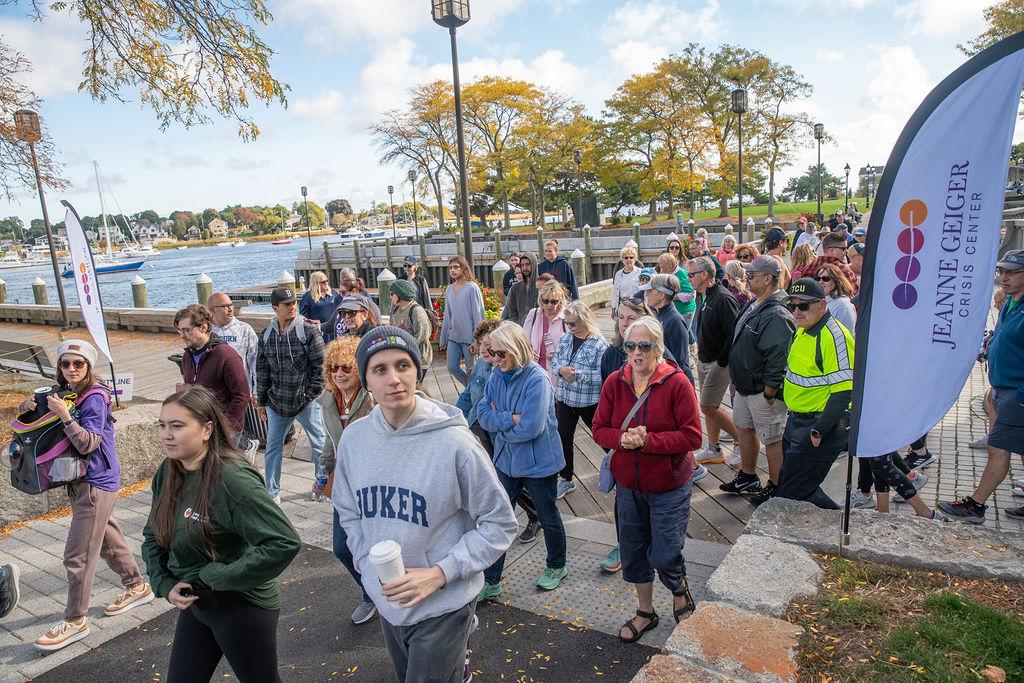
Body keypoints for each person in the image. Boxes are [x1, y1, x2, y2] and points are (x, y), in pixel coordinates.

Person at [332, 326, 517, 682]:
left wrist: (441, 573)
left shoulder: (455, 445)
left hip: (444, 604)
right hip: (390, 600)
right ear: (366, 380)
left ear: (418, 371)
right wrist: (368, 571)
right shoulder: (354, 440)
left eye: (403, 365)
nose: (394, 379)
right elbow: (348, 512)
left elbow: (500, 523)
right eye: (380, 369)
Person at [142, 386, 301, 682]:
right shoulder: (168, 470)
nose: (166, 434)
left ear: (206, 429)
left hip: (241, 605)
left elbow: (284, 542)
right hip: (196, 600)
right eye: (162, 425)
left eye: (177, 426)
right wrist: (163, 582)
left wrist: (217, 576)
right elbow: (152, 535)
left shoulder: (232, 479)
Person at [28, 339, 154, 651]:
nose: (71, 369)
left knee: (78, 554)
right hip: (83, 480)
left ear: (89, 366)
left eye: (78, 364)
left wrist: (65, 416)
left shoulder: (95, 396)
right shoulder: (68, 393)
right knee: (108, 538)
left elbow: (88, 443)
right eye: (65, 364)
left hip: (95, 481)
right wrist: (29, 408)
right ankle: (137, 586)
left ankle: (75, 620)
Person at [592, 317, 702, 642]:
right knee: (634, 551)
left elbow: (693, 436)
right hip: (629, 487)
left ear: (658, 348)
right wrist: (621, 439)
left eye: (645, 345)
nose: (637, 353)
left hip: (669, 486)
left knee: (666, 553)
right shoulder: (615, 381)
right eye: (631, 346)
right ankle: (646, 612)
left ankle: (679, 589)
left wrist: (648, 441)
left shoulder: (677, 383)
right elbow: (599, 429)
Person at [476, 322, 568, 600]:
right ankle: (492, 580)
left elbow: (531, 428)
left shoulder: (537, 379)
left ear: (517, 349)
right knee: (498, 519)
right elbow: (482, 414)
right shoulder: (495, 374)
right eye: (493, 352)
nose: (496, 359)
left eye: (502, 354)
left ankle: (556, 566)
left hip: (539, 464)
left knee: (547, 515)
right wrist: (510, 419)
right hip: (507, 462)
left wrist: (500, 421)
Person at [940, 250, 1024, 523]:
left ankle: (976, 505)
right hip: (1004, 389)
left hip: (1016, 393)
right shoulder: (1011, 302)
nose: (1004, 277)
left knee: (998, 449)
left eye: (1011, 272)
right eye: (1001, 271)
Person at [456, 320, 542, 544]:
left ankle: (534, 515)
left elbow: (525, 420)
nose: (486, 350)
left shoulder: (501, 368)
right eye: (483, 345)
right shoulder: (484, 364)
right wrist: (455, 417)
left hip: (499, 433)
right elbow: (472, 396)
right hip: (482, 426)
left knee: (507, 481)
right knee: (498, 477)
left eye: (490, 346)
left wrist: (497, 417)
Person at [720, 256, 796, 505]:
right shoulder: (755, 303)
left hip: (761, 390)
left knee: (772, 439)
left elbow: (778, 355)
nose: (747, 277)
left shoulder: (776, 313)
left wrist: (770, 390)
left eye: (752, 275)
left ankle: (776, 486)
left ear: (768, 279)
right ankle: (748, 475)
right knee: (744, 428)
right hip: (745, 386)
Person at [315, 337, 377, 625]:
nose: (339, 374)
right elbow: (331, 440)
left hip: (374, 483)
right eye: (334, 368)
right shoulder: (328, 400)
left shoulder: (372, 397)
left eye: (346, 368)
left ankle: (392, 591)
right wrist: (323, 470)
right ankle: (371, 593)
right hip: (345, 484)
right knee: (342, 546)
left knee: (379, 543)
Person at [256, 287, 327, 504]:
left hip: (306, 401)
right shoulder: (266, 335)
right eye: (287, 304)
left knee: (320, 445)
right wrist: (261, 401)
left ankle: (322, 486)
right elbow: (262, 370)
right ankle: (272, 493)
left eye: (294, 302)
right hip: (277, 402)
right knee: (272, 448)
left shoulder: (308, 330)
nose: (292, 307)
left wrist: (309, 395)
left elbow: (322, 367)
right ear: (275, 308)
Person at [551, 301, 609, 500]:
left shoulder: (600, 343)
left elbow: (604, 376)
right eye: (567, 323)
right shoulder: (566, 338)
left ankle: (621, 467)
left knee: (602, 437)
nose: (569, 327)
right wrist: (560, 371)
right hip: (565, 399)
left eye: (573, 323)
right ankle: (566, 478)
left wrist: (576, 374)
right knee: (563, 437)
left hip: (589, 402)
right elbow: (555, 361)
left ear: (584, 320)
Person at [688, 257, 741, 467]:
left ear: (704, 275)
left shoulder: (723, 298)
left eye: (691, 274)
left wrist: (721, 362)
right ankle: (714, 448)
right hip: (704, 359)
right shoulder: (703, 297)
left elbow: (734, 334)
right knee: (710, 405)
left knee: (708, 406)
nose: (688, 278)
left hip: (719, 362)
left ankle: (742, 441)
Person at [174, 304, 250, 435]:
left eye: (186, 330)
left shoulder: (226, 355)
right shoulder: (188, 356)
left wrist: (224, 427)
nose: (182, 335)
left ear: (203, 327)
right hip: (200, 429)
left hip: (225, 432)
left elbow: (241, 396)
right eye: (180, 331)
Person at [209, 292, 264, 457]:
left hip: (240, 391)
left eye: (231, 305)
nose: (230, 309)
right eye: (224, 306)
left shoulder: (244, 329)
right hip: (217, 393)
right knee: (224, 432)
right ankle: (245, 447)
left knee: (233, 429)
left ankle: (243, 451)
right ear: (212, 310)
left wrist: (256, 390)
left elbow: (256, 360)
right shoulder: (209, 332)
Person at [639, 273, 695, 386]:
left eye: (650, 291)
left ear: (661, 294)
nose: (646, 294)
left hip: (675, 383)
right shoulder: (659, 314)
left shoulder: (675, 321)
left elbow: (680, 361)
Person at [439, 255, 485, 387]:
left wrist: (478, 340)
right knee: (452, 367)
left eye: (456, 267)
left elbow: (478, 315)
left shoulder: (472, 288)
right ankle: (470, 389)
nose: (452, 270)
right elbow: (447, 315)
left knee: (473, 371)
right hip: (454, 337)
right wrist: (443, 338)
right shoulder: (449, 290)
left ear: (463, 268)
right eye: (450, 268)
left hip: (470, 338)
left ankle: (474, 395)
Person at [522, 278, 571, 386]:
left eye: (554, 301)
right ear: (540, 300)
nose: (549, 305)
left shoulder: (567, 318)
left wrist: (557, 354)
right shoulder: (533, 314)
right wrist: (529, 351)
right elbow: (522, 341)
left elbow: (573, 348)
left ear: (560, 301)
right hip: (534, 372)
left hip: (558, 376)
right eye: (545, 301)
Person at [389, 278, 434, 367]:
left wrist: (407, 349)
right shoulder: (396, 309)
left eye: (392, 294)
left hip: (418, 358)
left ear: (400, 295)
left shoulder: (416, 311)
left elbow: (422, 336)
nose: (390, 297)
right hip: (403, 355)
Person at [657, 253, 697, 332]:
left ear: (668, 265)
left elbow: (691, 294)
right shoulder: (666, 273)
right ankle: (692, 343)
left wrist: (672, 296)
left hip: (685, 311)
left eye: (661, 264)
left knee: (682, 332)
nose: (659, 266)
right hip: (674, 310)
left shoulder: (681, 274)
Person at [815, 262, 857, 332]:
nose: (821, 282)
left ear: (836, 281)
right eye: (818, 279)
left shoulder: (843, 305)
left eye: (825, 278)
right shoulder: (820, 301)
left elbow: (847, 333)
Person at [503, 251, 539, 325]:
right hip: (520, 330)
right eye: (522, 265)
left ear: (534, 265)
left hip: (539, 329)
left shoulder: (543, 286)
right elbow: (512, 313)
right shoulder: (515, 288)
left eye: (528, 264)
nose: (525, 268)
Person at [611, 245, 642, 320]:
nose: (628, 259)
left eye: (631, 257)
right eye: (626, 258)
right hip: (622, 305)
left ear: (635, 259)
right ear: (622, 260)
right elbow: (615, 292)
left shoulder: (640, 272)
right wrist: (613, 308)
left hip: (636, 305)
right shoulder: (618, 273)